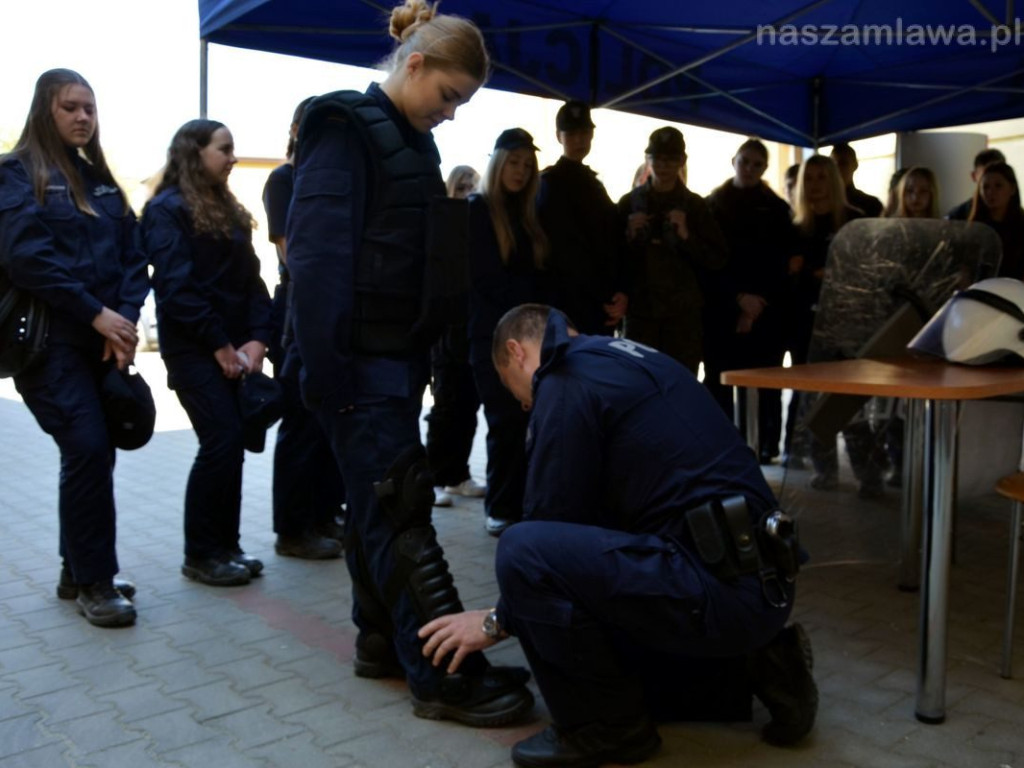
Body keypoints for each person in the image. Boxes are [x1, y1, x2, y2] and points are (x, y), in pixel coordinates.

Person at [419, 304, 817, 767]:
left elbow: (548, 527)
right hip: (757, 584)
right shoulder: (626, 357)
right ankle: (763, 668)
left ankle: (607, 732)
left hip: (718, 588)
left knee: (521, 549)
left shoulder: (564, 378)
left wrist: (496, 621)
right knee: (614, 664)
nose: (528, 407)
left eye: (518, 394)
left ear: (517, 352)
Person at [286, 0, 534, 725]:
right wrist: (328, 378)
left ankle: (383, 642)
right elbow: (318, 259)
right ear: (414, 64)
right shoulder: (342, 127)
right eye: (448, 96)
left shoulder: (409, 140)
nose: (452, 114)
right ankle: (443, 673)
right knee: (402, 514)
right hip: (355, 368)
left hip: (390, 363)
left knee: (377, 510)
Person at [1, 69, 148, 627]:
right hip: (51, 345)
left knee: (93, 453)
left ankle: (77, 569)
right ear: (46, 111)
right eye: (70, 107)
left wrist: (124, 323)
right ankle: (95, 582)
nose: (83, 117)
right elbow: (28, 258)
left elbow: (136, 258)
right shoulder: (16, 176)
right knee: (87, 447)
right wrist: (96, 314)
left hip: (106, 343)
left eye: (89, 107)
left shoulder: (101, 181)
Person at [141, 119, 273, 587]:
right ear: (194, 153)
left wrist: (258, 338)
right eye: (225, 149)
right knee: (220, 440)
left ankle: (226, 547)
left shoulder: (228, 208)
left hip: (235, 348)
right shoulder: (166, 210)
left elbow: (254, 282)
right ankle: (201, 554)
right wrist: (219, 343)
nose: (233, 157)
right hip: (195, 350)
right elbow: (176, 289)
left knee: (232, 443)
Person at [262, 97, 345, 559]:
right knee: (298, 423)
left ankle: (322, 515)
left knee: (322, 425)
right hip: (298, 312)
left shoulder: (327, 179)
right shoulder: (284, 179)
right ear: (296, 129)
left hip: (324, 310)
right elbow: (291, 253)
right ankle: (292, 529)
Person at [468, 128, 550, 536]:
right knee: (504, 422)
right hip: (491, 339)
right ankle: (499, 507)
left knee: (528, 424)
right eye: (514, 162)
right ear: (498, 162)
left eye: (527, 164)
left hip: (527, 339)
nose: (520, 170)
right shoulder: (478, 209)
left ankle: (522, 503)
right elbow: (485, 281)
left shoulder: (527, 214)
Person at [705, 139, 797, 464]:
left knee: (766, 382)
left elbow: (781, 264)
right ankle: (720, 446)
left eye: (757, 164)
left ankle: (766, 446)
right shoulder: (711, 205)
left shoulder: (776, 209)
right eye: (745, 161)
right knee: (720, 381)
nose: (749, 168)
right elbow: (709, 262)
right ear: (734, 160)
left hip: (765, 310)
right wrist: (737, 301)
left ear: (765, 169)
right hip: (722, 307)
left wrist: (755, 306)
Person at [617, 126, 728, 374]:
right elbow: (612, 259)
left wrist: (687, 236)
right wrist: (629, 236)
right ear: (648, 160)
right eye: (657, 158)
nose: (663, 166)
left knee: (680, 384)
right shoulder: (629, 203)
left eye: (671, 159)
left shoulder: (695, 206)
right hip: (641, 313)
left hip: (682, 318)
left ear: (682, 161)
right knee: (638, 383)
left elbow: (717, 259)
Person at [536, 100, 626, 335]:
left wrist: (619, 291)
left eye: (585, 132)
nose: (579, 140)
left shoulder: (594, 183)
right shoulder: (549, 184)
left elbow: (612, 242)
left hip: (600, 306)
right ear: (559, 136)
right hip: (568, 306)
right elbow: (566, 250)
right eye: (572, 133)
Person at [427, 165, 486, 508]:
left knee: (468, 405)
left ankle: (457, 475)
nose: (466, 192)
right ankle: (436, 475)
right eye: (460, 187)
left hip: (471, 329)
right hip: (446, 333)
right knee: (445, 407)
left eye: (471, 187)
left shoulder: (478, 228)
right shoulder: (443, 227)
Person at [967, 161, 1024, 280]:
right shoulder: (976, 227)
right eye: (985, 187)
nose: (990, 192)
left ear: (1012, 188)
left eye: (998, 186)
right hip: (981, 291)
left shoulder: (1021, 224)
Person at [947, 147, 1006, 220]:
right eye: (985, 178)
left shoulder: (1020, 217)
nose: (991, 191)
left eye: (998, 184)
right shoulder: (958, 216)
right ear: (974, 176)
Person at [829, 142, 883, 217]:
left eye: (843, 163)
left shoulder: (871, 204)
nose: (838, 169)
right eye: (834, 165)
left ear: (855, 165)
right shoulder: (823, 204)